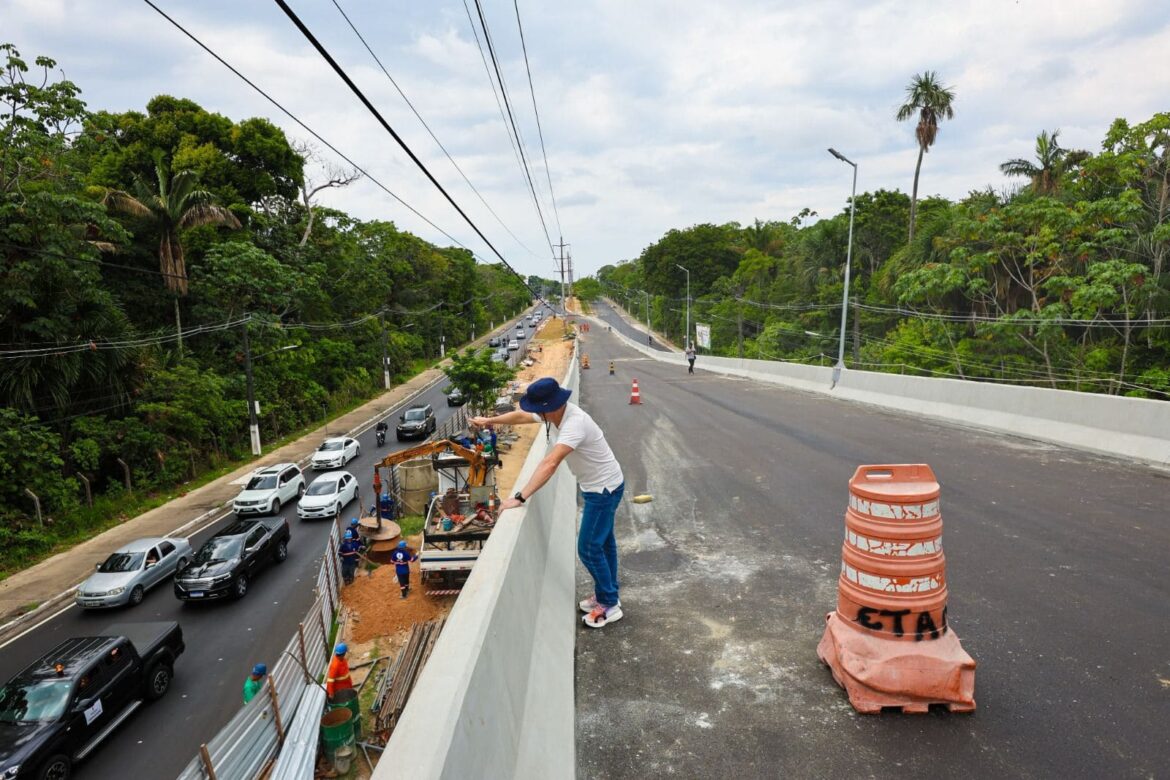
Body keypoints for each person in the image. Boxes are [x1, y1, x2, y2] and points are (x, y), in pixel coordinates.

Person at [471, 377, 625, 628]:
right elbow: (520, 416)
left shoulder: (573, 424)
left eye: (537, 408)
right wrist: (489, 421)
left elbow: (550, 463)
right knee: (604, 543)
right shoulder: (553, 415)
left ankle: (609, 604)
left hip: (604, 489)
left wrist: (520, 496)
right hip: (597, 486)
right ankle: (607, 592)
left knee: (588, 548)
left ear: (549, 406)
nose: (534, 413)